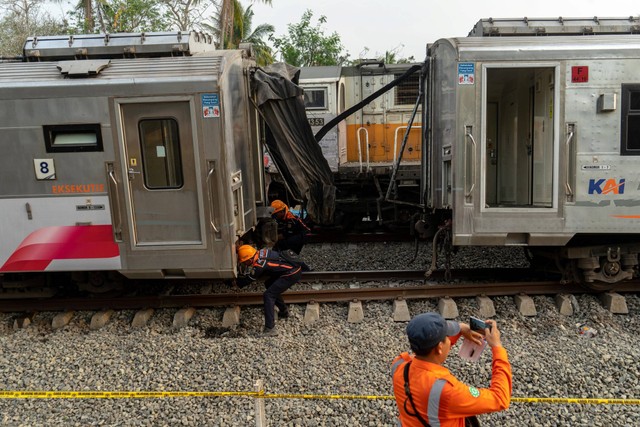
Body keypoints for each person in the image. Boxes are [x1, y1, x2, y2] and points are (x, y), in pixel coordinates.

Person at [391, 313, 512, 427]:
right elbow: (500, 398)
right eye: (447, 337)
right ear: (439, 347)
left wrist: (460, 330)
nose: (450, 340)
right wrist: (497, 348)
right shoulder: (446, 391)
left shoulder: (399, 364)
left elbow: (429, 354)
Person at [236, 244, 306, 337]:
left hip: (292, 273)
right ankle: (284, 311)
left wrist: (233, 282)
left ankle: (270, 328)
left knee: (268, 295)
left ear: (249, 259)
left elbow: (246, 281)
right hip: (293, 269)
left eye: (245, 262)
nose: (245, 264)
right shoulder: (261, 252)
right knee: (269, 284)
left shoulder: (259, 266)